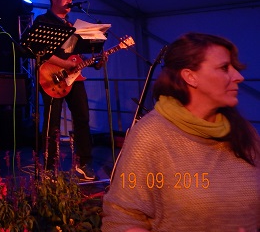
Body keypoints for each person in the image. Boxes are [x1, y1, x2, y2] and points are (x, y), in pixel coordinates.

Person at [102, 32, 260, 232]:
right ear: (190, 76)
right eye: (224, 68)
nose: (239, 77)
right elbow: (122, 218)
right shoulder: (151, 135)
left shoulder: (243, 131)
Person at [33, 0, 99, 180]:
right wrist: (64, 64)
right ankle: (49, 167)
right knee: (52, 122)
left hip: (74, 78)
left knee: (82, 118)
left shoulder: (72, 26)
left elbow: (75, 55)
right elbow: (40, 51)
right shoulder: (43, 21)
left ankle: (84, 163)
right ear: (53, 0)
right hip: (51, 75)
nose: (69, 0)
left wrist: (94, 61)